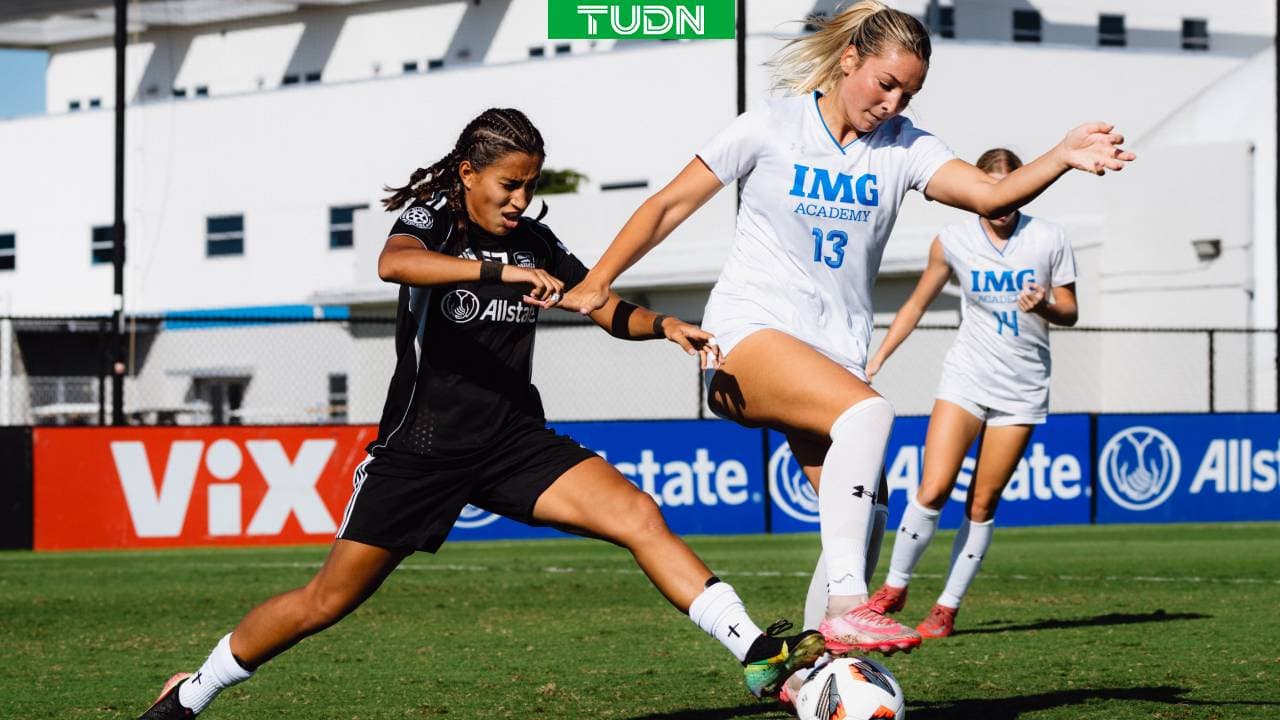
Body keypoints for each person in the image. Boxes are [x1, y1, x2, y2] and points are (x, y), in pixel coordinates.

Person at [134, 107, 824, 719]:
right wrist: (500, 274)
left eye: (531, 186)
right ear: (468, 173)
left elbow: (595, 301)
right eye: (509, 185)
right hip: (421, 450)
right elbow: (395, 265)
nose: (522, 201)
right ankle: (191, 692)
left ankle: (756, 651)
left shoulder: (532, 242)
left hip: (511, 442)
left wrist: (665, 326)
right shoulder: (434, 220)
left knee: (639, 514)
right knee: (325, 602)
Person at [557, 0, 1132, 662]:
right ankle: (846, 612)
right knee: (870, 415)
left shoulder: (907, 147)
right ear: (849, 59)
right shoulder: (771, 125)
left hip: (830, 360)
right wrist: (599, 279)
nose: (893, 101)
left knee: (866, 520)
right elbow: (667, 205)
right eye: (885, 83)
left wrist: (1060, 154)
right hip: (747, 337)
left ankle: (812, 674)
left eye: (909, 92)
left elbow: (991, 197)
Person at [865, 148, 1078, 639]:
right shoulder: (953, 240)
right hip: (966, 378)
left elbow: (1070, 310)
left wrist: (1045, 303)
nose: (1000, 204)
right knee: (933, 487)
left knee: (982, 503)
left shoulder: (1049, 237)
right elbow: (916, 305)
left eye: (1010, 190)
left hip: (1022, 389)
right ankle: (894, 588)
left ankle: (947, 607)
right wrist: (878, 357)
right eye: (990, 193)